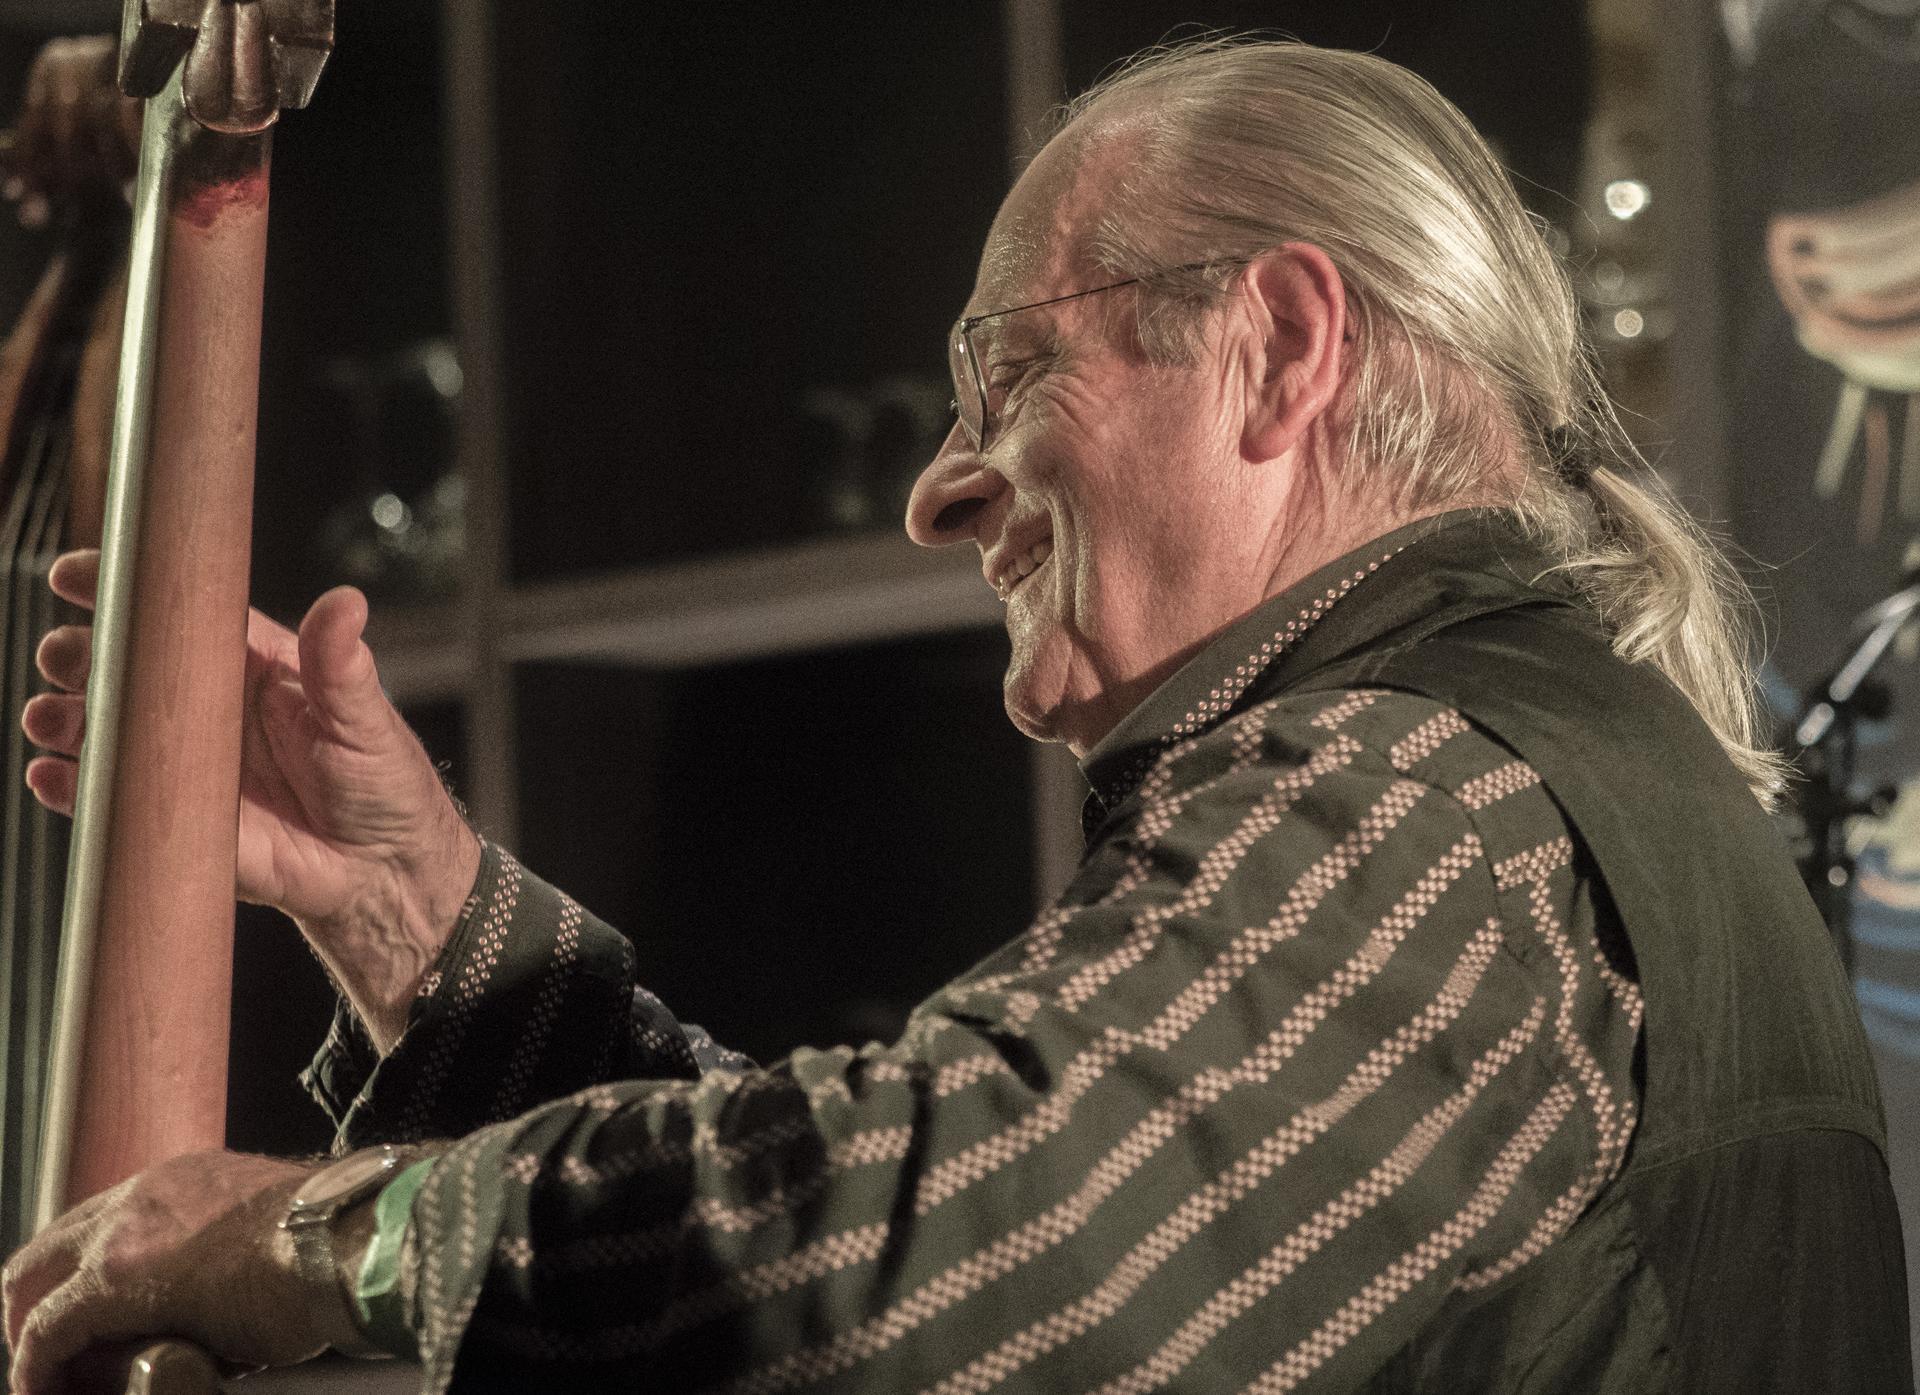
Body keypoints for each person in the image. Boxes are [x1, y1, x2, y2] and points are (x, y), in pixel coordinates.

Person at [3, 36, 1912, 1395]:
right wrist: (413, 920)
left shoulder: (1431, 790)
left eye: (1007, 375)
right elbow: (928, 1214)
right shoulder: (1481, 785)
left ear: (1282, 348)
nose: (939, 492)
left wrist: (322, 1235)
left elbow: (914, 1270)